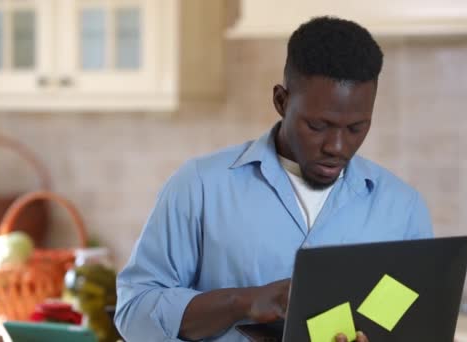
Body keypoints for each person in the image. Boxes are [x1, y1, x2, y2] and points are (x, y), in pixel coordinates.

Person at [114, 16, 433, 342]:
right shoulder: (200, 187)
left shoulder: (402, 208)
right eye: (318, 126)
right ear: (281, 101)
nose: (337, 147)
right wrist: (244, 302)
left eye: (356, 128)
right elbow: (134, 313)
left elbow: (416, 325)